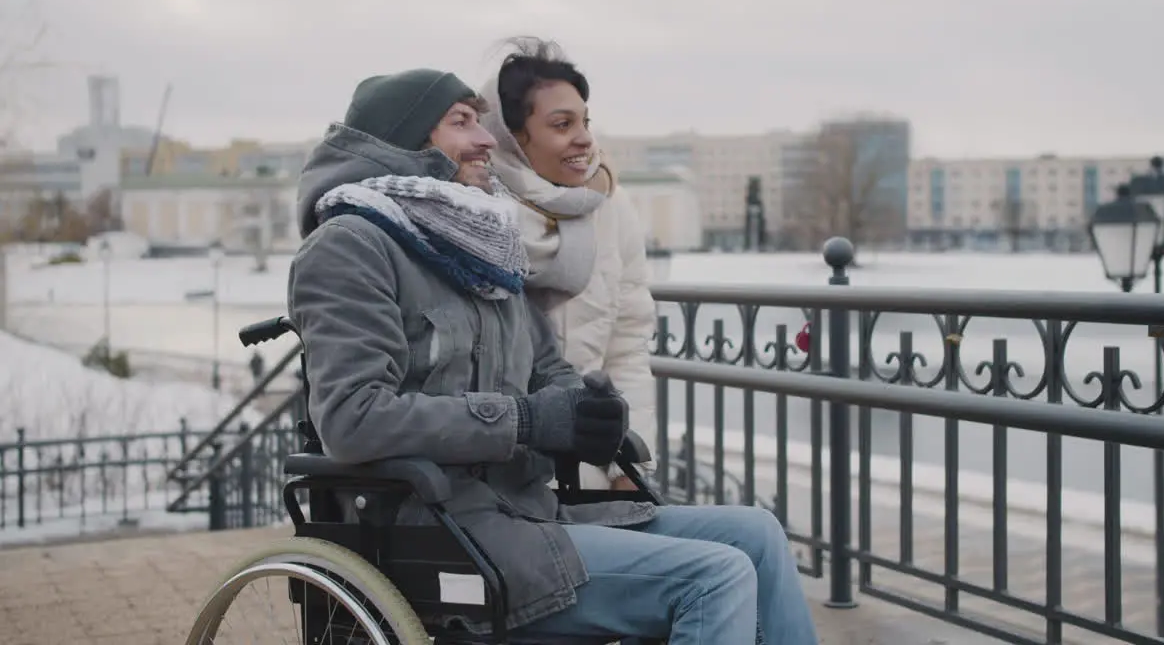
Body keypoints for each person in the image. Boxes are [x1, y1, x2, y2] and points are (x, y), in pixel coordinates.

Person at [287, 67, 819, 644]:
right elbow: (352, 418)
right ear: (403, 142)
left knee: (757, 534)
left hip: (525, 511)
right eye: (462, 123)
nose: (487, 138)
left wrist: (589, 413)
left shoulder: (475, 245)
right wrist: (525, 421)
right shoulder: (349, 247)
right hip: (438, 531)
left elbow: (549, 369)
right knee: (714, 577)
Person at [477, 37, 658, 493]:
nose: (584, 138)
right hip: (498, 476)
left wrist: (630, 468)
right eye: (562, 124)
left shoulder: (609, 206)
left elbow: (628, 347)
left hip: (593, 465)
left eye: (585, 121)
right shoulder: (472, 212)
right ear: (513, 137)